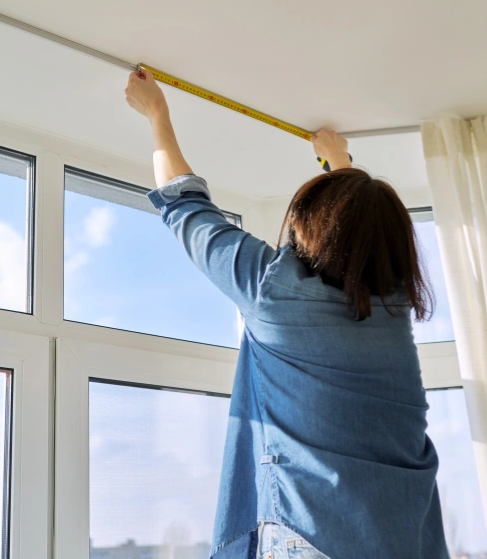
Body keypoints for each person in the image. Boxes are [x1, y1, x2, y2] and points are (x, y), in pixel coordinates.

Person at [125, 70, 448, 559]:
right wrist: (339, 164)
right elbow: (360, 235)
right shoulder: (394, 304)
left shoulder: (272, 291)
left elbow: (185, 206)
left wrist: (157, 114)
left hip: (316, 535)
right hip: (406, 530)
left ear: (311, 225)